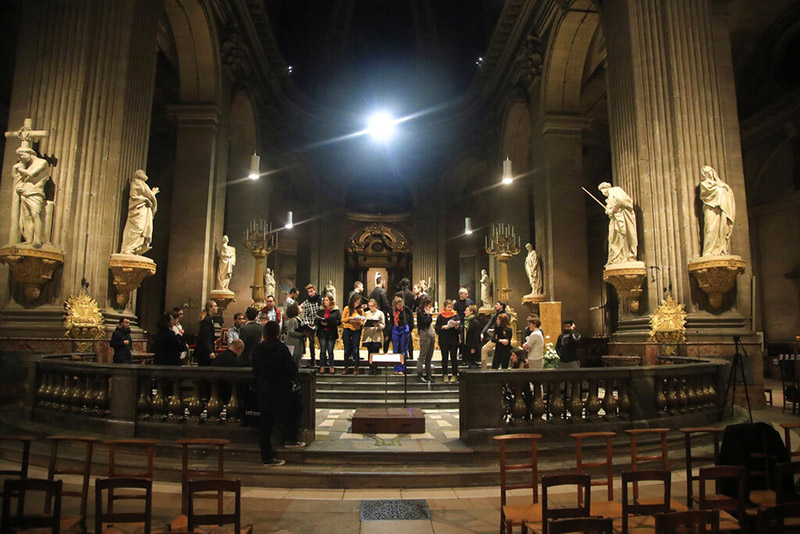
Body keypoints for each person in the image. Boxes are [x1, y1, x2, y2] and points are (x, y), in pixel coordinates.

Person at [252, 321, 305, 467]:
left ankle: (266, 456)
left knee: (265, 426)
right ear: (278, 333)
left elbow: (255, 368)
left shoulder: (258, 349)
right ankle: (290, 439)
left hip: (263, 390)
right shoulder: (281, 348)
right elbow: (291, 369)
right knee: (293, 410)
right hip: (279, 390)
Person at [11, 146, 51, 247]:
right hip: (25, 192)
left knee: (35, 214)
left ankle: (37, 239)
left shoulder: (42, 162)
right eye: (20, 156)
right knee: (27, 217)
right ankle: (29, 240)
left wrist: (20, 169)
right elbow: (16, 178)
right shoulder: (28, 165)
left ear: (29, 152)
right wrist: (14, 169)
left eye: (23, 154)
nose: (22, 157)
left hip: (36, 192)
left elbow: (33, 174)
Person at [699, 165, 736, 256]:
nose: (708, 174)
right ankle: (708, 252)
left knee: (722, 228)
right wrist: (721, 188)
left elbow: (727, 193)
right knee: (710, 228)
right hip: (711, 209)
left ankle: (720, 249)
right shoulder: (705, 184)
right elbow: (708, 194)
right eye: (706, 172)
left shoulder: (722, 185)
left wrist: (723, 189)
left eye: (709, 171)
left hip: (720, 209)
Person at [120, 169, 159, 255]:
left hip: (143, 209)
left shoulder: (141, 184)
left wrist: (151, 195)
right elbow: (147, 194)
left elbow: (147, 195)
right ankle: (128, 248)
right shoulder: (137, 183)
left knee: (142, 228)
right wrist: (152, 194)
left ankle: (136, 249)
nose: (144, 174)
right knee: (137, 227)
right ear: (138, 175)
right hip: (137, 210)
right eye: (142, 173)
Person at [598, 181, 637, 265]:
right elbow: (611, 208)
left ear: (606, 188)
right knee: (613, 238)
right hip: (616, 220)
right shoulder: (609, 198)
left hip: (623, 217)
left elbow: (623, 202)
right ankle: (617, 257)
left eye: (602, 190)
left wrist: (612, 210)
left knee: (624, 235)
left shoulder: (615, 190)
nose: (603, 193)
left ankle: (627, 256)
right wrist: (609, 211)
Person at [435, 299, 461, 383]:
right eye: (448, 307)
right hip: (444, 339)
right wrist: (443, 327)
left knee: (454, 357)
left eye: (451, 307)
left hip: (453, 339)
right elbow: (437, 330)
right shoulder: (440, 316)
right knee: (444, 358)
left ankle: (454, 375)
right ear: (445, 307)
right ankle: (445, 374)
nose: (450, 309)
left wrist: (456, 326)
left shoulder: (455, 316)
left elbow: (459, 329)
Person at [315, 294, 341, 374]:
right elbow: (316, 321)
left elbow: (338, 322)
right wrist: (321, 322)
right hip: (322, 332)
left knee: (330, 350)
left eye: (327, 300)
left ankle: (331, 366)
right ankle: (322, 366)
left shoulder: (336, 311)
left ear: (331, 301)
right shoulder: (320, 310)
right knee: (323, 350)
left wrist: (329, 322)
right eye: (324, 300)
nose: (325, 302)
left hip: (331, 333)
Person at [480, 301, 509, 369]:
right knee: (484, 349)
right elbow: (489, 324)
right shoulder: (495, 315)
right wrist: (482, 333)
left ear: (501, 306)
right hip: (496, 338)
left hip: (503, 340)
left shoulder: (507, 315)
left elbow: (506, 326)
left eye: (497, 304)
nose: (495, 306)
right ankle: (483, 369)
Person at [341, 294, 365, 375]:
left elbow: (363, 321)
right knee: (347, 349)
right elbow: (342, 319)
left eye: (358, 302)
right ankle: (346, 367)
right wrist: (349, 318)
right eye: (356, 302)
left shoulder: (360, 310)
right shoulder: (347, 308)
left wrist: (360, 321)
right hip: (347, 329)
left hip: (356, 330)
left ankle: (356, 368)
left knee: (356, 349)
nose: (357, 304)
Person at [300, 284, 323, 367]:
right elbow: (304, 315)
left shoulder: (321, 300)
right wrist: (308, 324)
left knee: (322, 342)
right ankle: (313, 359)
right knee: (311, 342)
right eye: (309, 292)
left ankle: (323, 359)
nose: (311, 293)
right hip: (311, 324)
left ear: (315, 290)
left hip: (320, 324)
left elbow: (324, 311)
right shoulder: (306, 302)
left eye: (312, 291)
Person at [390, 296, 413, 375]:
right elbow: (391, 322)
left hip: (404, 329)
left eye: (401, 304)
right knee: (395, 350)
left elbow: (411, 319)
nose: (401, 306)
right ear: (395, 305)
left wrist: (409, 329)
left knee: (403, 350)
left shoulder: (406, 310)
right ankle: (396, 368)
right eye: (399, 305)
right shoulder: (392, 311)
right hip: (395, 329)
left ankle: (402, 368)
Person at [368, 277, 392, 353]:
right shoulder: (382, 291)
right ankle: (385, 352)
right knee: (387, 335)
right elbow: (385, 304)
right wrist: (390, 312)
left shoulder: (372, 292)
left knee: (374, 334)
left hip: (373, 315)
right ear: (382, 281)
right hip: (382, 315)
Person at [362, 298, 386, 375]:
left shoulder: (380, 313)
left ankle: (375, 368)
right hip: (368, 336)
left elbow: (383, 325)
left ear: (375, 305)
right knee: (370, 352)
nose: (370, 307)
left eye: (372, 306)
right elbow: (363, 325)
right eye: (369, 306)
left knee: (376, 352)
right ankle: (370, 368)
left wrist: (378, 324)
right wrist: (365, 324)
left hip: (376, 335)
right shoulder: (366, 313)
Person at [416, 298, 435, 382]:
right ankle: (420, 373)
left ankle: (428, 374)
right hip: (424, 334)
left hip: (431, 334)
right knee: (422, 355)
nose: (431, 306)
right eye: (429, 304)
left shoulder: (427, 312)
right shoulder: (420, 313)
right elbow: (426, 322)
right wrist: (429, 314)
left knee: (429, 356)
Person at [453, 287, 474, 362]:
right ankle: (462, 354)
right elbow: (455, 314)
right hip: (461, 323)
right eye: (465, 294)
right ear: (461, 294)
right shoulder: (456, 304)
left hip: (469, 323)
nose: (467, 295)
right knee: (462, 340)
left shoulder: (470, 302)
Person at [282, 303, 305, 368]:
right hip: (293, 343)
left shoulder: (299, 318)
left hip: (299, 342)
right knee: (294, 360)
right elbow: (291, 332)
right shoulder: (293, 320)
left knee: (298, 359)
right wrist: (302, 334)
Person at [195, 301, 218, 366]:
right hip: (205, 351)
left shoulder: (209, 319)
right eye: (215, 306)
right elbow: (205, 337)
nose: (217, 308)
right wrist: (210, 351)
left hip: (205, 350)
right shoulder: (207, 320)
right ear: (210, 308)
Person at [462, 305, 482, 369]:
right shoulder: (466, 322)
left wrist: (473, 347)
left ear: (471, 312)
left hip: (472, 346)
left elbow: (476, 336)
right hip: (466, 344)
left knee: (472, 363)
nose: (465, 312)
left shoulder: (475, 322)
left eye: (466, 310)